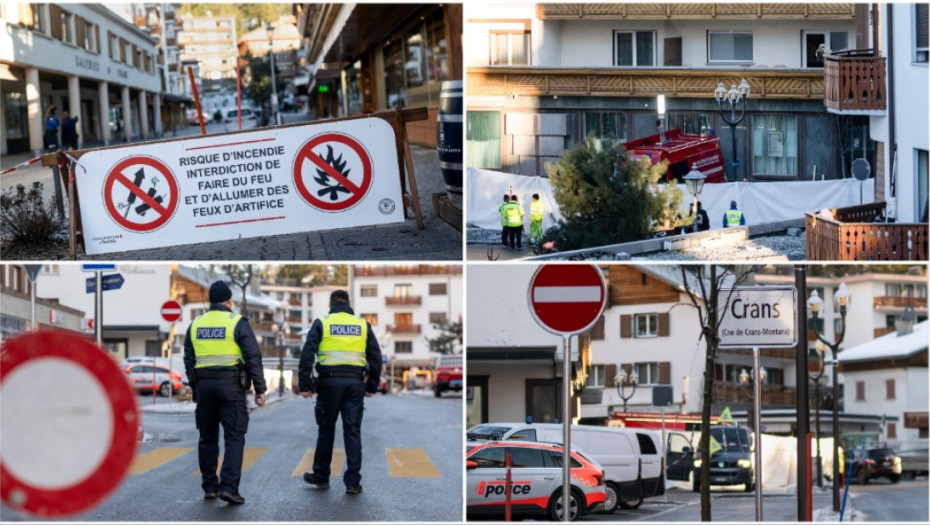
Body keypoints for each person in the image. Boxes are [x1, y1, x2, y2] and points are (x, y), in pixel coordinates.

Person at [183, 281, 267, 505]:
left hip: (205, 387)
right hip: (231, 387)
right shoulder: (237, 322)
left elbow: (189, 359)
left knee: (207, 437)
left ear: (211, 302)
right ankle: (229, 487)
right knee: (234, 437)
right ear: (229, 301)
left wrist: (195, 385)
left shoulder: (196, 323)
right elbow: (253, 357)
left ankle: (210, 487)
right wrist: (260, 389)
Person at [299, 290, 382, 495]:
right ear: (348, 303)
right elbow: (375, 357)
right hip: (355, 384)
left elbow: (307, 353)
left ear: (331, 305)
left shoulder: (322, 322)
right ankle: (352, 482)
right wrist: (371, 385)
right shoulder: (362, 325)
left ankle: (321, 477)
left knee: (326, 430)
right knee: (352, 431)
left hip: (328, 383)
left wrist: (305, 385)